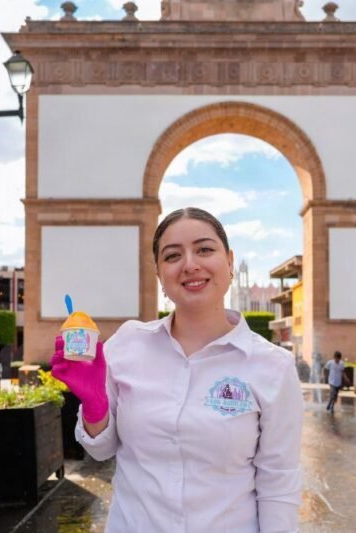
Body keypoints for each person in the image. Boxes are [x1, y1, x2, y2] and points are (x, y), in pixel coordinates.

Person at [51, 207, 304, 532]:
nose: (190, 264)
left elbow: (278, 483)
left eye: (204, 249)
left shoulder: (273, 366)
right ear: (159, 274)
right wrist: (94, 406)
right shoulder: (127, 345)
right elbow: (100, 451)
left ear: (229, 261)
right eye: (172, 256)